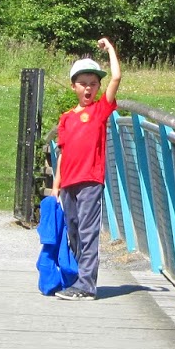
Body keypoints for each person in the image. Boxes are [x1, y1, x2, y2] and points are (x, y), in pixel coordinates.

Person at [49, 37, 122, 301]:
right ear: (74, 86)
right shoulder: (66, 118)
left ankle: (86, 285)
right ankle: (77, 278)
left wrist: (110, 49)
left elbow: (116, 78)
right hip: (68, 183)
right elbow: (62, 153)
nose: (88, 88)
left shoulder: (100, 111)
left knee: (88, 232)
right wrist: (55, 186)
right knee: (73, 230)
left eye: (93, 83)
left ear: (98, 87)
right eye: (83, 83)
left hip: (90, 180)